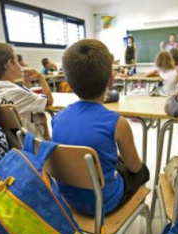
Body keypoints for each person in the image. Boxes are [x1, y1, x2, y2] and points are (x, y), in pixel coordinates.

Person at [51, 39, 149, 215]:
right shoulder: (118, 123)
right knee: (143, 171)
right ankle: (135, 211)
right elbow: (134, 167)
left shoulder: (57, 117)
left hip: (68, 199)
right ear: (110, 80)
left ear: (69, 83)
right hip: (104, 203)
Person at [0, 42, 53, 138]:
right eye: (16, 61)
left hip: (12, 143)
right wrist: (41, 77)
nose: (20, 66)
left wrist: (25, 88)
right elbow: (49, 100)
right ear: (10, 64)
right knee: (41, 117)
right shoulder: (17, 92)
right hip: (31, 144)